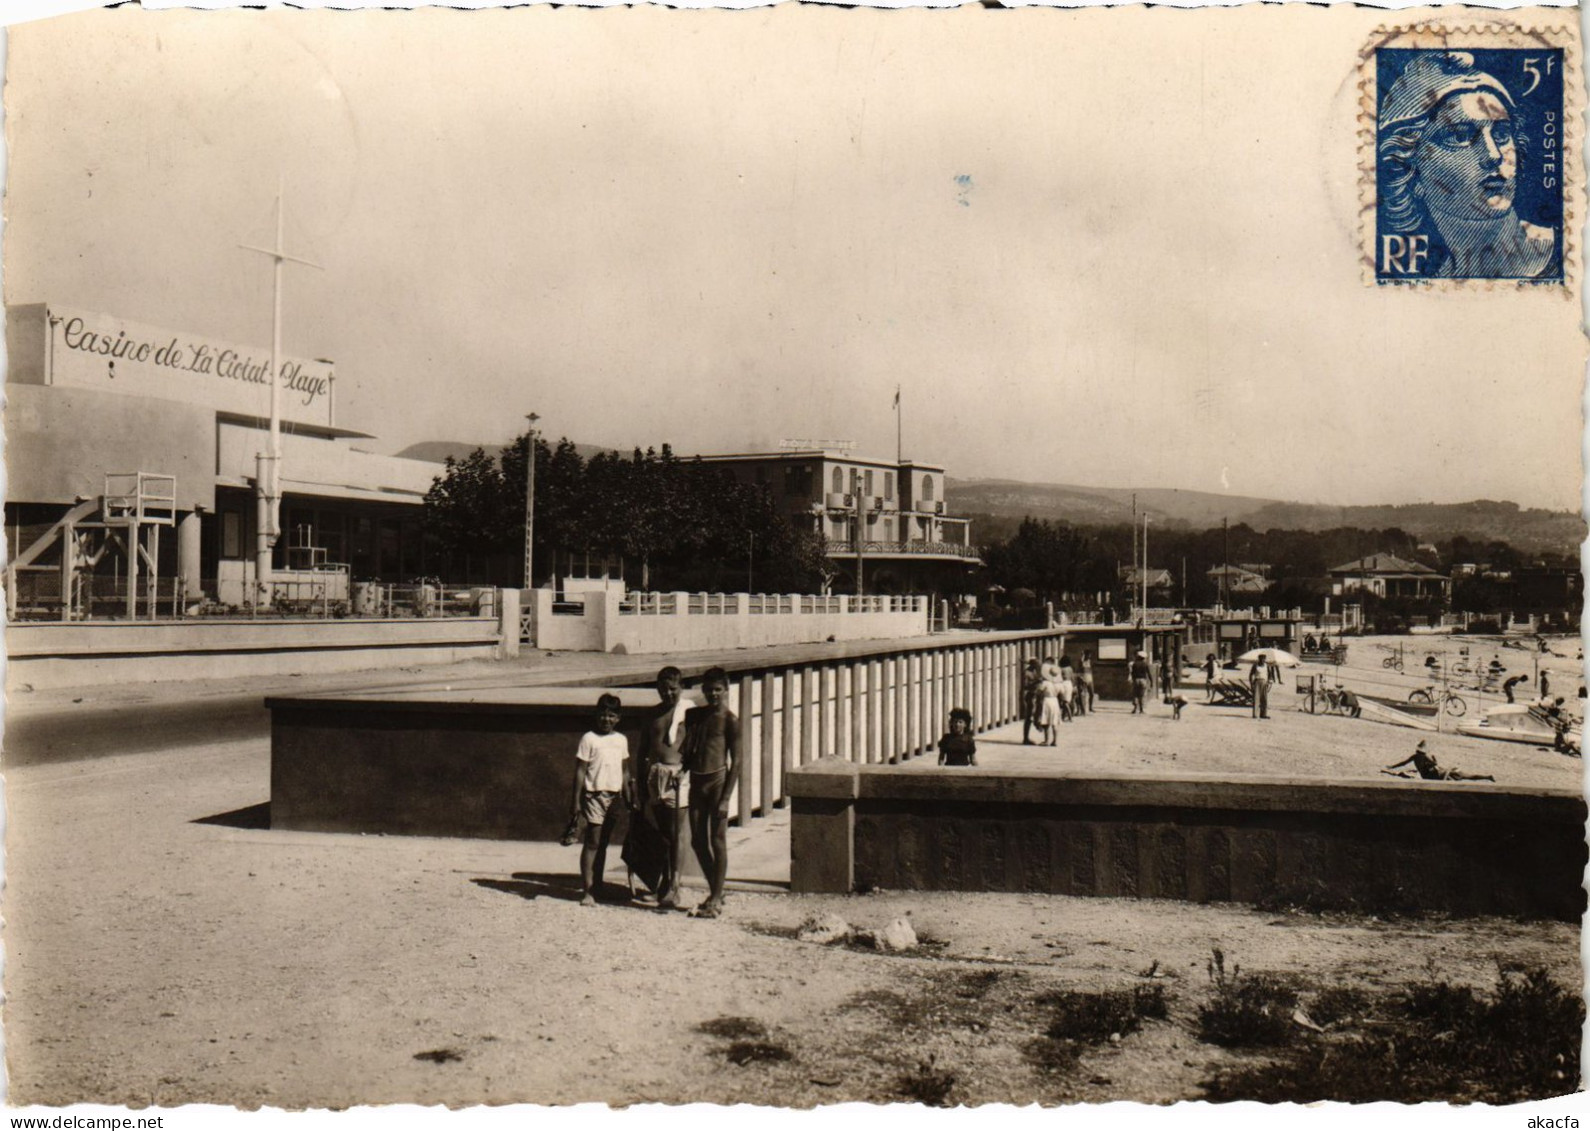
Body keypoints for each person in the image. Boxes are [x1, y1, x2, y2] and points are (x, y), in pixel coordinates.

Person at [1377, 51, 1559, 280]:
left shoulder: (1562, 253)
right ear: (1408, 170)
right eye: (1459, 137)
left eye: (1501, 134)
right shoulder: (1431, 279)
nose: (1493, 156)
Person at [680, 667, 742, 919]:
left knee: (717, 840)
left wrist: (726, 798)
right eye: (709, 690)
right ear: (702, 690)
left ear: (726, 690)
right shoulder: (695, 715)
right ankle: (716, 889)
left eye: (718, 689)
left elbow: (736, 762)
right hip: (697, 782)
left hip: (717, 782)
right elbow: (689, 749)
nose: (713, 694)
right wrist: (679, 769)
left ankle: (715, 898)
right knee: (697, 841)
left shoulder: (730, 720)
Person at [633, 665, 692, 910]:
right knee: (663, 835)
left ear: (681, 688)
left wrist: (685, 771)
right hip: (655, 775)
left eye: (673, 689)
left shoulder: (688, 713)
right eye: (664, 689)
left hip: (678, 775)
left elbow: (695, 748)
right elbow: (643, 751)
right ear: (657, 689)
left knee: (677, 832)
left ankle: (675, 887)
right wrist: (639, 783)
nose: (669, 694)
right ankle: (664, 885)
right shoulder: (652, 715)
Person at [568, 693, 632, 907]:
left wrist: (629, 795)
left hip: (614, 796)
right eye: (603, 715)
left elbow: (624, 771)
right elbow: (580, 771)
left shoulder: (621, 740)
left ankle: (598, 884)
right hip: (594, 795)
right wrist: (575, 801)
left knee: (603, 843)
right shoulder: (589, 739)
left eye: (612, 715)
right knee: (592, 842)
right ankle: (587, 891)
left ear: (618, 718)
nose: (607, 720)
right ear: (597, 716)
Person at [1383, 740, 1493, 781]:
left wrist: (1392, 767)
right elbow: (1435, 764)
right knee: (1466, 776)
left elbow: (1403, 763)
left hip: (1427, 776)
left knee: (1462, 776)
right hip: (1432, 775)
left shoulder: (1414, 756)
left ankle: (1487, 777)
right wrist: (1435, 758)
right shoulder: (1425, 756)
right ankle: (1486, 777)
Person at [1036, 671, 1060, 746]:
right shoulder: (1057, 683)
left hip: (1047, 700)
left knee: (1046, 721)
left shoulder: (1045, 683)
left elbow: (1039, 691)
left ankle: (1046, 740)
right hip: (1055, 701)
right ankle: (1055, 741)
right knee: (1054, 722)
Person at [1020, 658, 1042, 745]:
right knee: (1028, 717)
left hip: (1035, 695)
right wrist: (1036, 682)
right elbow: (1025, 685)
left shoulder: (1034, 671)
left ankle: (1037, 724)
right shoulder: (1027, 673)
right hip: (1029, 695)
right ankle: (1026, 738)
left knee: (1035, 713)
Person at [1129, 650, 1152, 715]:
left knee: (1135, 694)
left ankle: (1135, 708)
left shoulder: (1134, 664)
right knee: (1142, 695)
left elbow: (1132, 673)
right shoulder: (1145, 664)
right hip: (1143, 680)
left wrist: (1133, 680)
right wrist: (1151, 681)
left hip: (1136, 680)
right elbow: (1149, 673)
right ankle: (1141, 709)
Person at [1249, 655, 1270, 720]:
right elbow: (1250, 675)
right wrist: (1251, 684)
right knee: (1256, 698)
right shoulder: (1255, 665)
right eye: (1261, 659)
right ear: (1259, 659)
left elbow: (1270, 675)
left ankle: (1263, 714)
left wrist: (1269, 682)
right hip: (1257, 682)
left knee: (1264, 699)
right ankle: (1255, 714)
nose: (1262, 660)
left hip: (1264, 682)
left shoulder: (1267, 666)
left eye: (1264, 659)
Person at [1078, 649, 1096, 714]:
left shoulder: (1090, 661)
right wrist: (1082, 655)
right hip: (1084, 679)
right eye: (1088, 655)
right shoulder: (1082, 661)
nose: (1089, 656)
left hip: (1090, 678)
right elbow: (1081, 664)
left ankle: (1090, 707)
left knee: (1092, 693)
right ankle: (1082, 709)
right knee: (1083, 694)